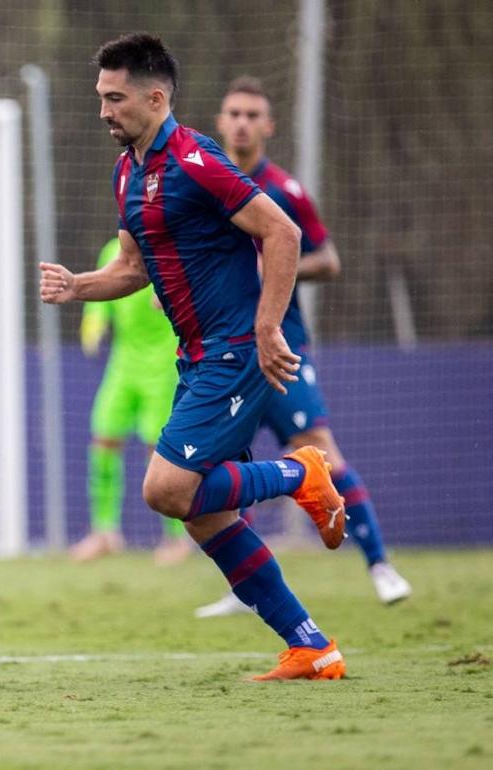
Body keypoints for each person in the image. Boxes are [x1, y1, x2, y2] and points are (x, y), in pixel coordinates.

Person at [41, 34, 349, 681]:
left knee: (165, 490)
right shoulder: (128, 170)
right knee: (206, 515)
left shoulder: (195, 160)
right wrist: (78, 285)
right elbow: (130, 268)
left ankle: (302, 475)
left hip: (235, 352)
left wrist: (268, 326)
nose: (104, 110)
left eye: (115, 97)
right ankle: (311, 646)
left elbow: (283, 232)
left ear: (156, 97)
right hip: (199, 358)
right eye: (100, 97)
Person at [191, 76, 411, 618]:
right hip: (221, 349)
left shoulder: (283, 192)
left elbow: (328, 260)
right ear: (221, 121)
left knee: (321, 450)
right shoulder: (201, 185)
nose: (241, 122)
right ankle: (248, 585)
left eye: (252, 114)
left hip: (280, 347)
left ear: (267, 125)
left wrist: (272, 261)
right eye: (233, 112)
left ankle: (380, 565)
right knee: (215, 467)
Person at [70, 237, 190, 565]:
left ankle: (176, 539)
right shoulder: (111, 251)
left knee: (160, 450)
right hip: (123, 365)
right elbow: (98, 299)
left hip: (164, 365)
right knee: (104, 440)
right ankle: (104, 532)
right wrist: (92, 325)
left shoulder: (171, 250)